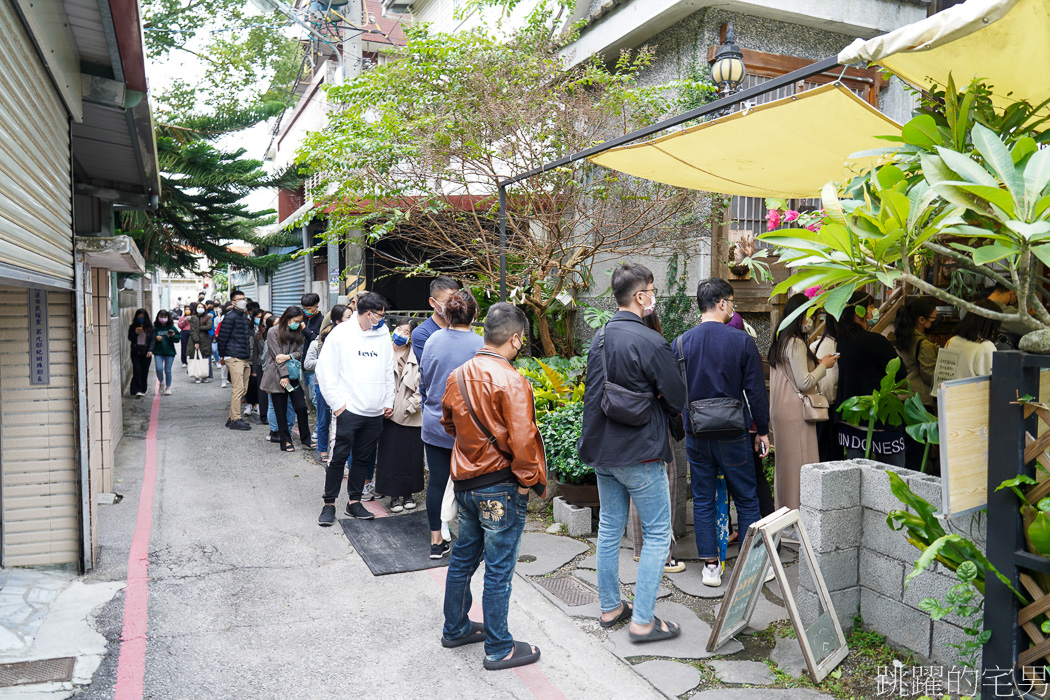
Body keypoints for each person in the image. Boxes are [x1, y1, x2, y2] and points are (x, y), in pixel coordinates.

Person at [579, 263, 686, 642]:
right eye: (652, 291)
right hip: (640, 451)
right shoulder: (651, 342)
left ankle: (611, 607)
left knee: (610, 528)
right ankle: (642, 621)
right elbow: (676, 398)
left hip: (602, 449)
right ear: (641, 297)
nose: (654, 297)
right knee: (657, 534)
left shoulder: (600, 337)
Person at [438, 302, 546, 670]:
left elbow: (448, 424)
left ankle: (455, 628)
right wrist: (527, 483)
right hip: (500, 486)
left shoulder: (457, 376)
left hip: (466, 482)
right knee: (499, 569)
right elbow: (524, 439)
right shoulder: (513, 380)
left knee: (463, 560)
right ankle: (499, 647)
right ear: (515, 339)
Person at [674, 277, 769, 588]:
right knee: (747, 498)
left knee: (702, 499)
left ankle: (711, 567)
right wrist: (763, 431)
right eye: (731, 302)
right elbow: (756, 392)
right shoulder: (742, 342)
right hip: (733, 433)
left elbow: (675, 391)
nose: (733, 308)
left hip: (697, 433)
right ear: (722, 303)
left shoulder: (681, 343)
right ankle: (747, 567)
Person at [315, 292, 395, 526]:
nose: (382, 319)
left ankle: (354, 502)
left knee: (362, 459)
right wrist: (338, 405)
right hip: (347, 409)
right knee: (337, 458)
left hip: (374, 411)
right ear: (368, 313)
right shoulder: (340, 333)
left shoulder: (382, 333)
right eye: (380, 314)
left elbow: (388, 369)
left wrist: (388, 401)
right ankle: (329, 504)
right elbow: (325, 370)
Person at [419, 289, 484, 556]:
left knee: (437, 481)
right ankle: (472, 541)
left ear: (447, 314)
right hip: (471, 428)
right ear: (475, 314)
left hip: (435, 422)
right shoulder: (481, 345)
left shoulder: (433, 340)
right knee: (473, 483)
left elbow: (424, 381)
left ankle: (436, 541)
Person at [627, 310, 686, 574]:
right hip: (655, 427)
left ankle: (640, 549)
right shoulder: (655, 346)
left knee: (636, 489)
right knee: (665, 487)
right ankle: (663, 556)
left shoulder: (619, 345)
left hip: (628, 429)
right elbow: (673, 394)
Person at [768, 293, 836, 511]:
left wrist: (815, 363)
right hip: (796, 412)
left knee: (786, 465)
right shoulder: (796, 342)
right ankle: (799, 511)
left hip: (781, 410)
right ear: (799, 316)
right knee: (801, 464)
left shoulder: (780, 340)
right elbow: (804, 382)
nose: (811, 321)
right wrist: (824, 366)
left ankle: (783, 509)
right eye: (809, 315)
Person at [836, 292, 907, 467]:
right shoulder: (876, 341)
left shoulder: (842, 341)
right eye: (871, 307)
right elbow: (900, 372)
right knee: (892, 474)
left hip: (851, 420)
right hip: (880, 420)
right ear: (858, 312)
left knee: (856, 475)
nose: (874, 311)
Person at [375, 318, 425, 512]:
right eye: (399, 329)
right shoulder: (383, 352)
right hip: (387, 413)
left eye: (407, 332)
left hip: (410, 414)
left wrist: (409, 406)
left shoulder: (418, 355)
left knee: (411, 457)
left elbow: (424, 385)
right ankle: (394, 496)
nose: (401, 334)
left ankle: (408, 494)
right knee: (390, 456)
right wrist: (383, 405)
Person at [261, 305, 314, 452]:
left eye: (300, 321)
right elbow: (276, 356)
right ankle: (285, 441)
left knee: (301, 407)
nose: (298, 324)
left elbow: (299, 353)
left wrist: (288, 356)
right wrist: (284, 376)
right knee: (280, 410)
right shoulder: (273, 331)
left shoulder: (297, 331)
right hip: (277, 376)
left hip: (293, 375)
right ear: (288, 318)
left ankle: (306, 439)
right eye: (296, 321)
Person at [304, 304, 349, 461]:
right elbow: (308, 364)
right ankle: (323, 450)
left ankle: (338, 451)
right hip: (323, 384)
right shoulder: (320, 343)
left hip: (342, 385)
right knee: (323, 419)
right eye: (348, 317)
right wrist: (325, 362)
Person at [894, 296, 940, 409]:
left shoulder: (903, 337)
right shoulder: (924, 344)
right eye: (933, 318)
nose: (935, 321)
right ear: (921, 320)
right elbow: (928, 375)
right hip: (920, 400)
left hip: (903, 395)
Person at [217, 290, 253, 431]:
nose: (243, 301)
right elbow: (222, 337)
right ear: (233, 302)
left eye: (244, 298)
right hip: (233, 356)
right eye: (239, 299)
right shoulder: (230, 317)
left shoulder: (243, 316)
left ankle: (232, 417)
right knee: (238, 389)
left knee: (243, 389)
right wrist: (222, 356)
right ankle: (235, 419)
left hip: (243, 356)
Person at [810, 312, 841, 463]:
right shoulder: (843, 345)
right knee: (837, 451)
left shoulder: (815, 346)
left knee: (821, 449)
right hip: (838, 405)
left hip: (818, 405)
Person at [947, 299, 1003, 380]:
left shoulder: (952, 341)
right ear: (992, 324)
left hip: (949, 388)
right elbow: (994, 381)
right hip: (975, 388)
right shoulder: (985, 347)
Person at [262, 314, 296, 442]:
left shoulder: (291, 338)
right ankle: (275, 431)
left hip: (289, 376)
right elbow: (265, 361)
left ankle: (285, 431)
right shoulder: (270, 340)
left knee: (289, 404)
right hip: (274, 376)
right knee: (273, 404)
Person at [413, 276, 461, 364]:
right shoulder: (422, 333)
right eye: (446, 301)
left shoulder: (462, 326)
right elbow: (432, 366)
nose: (452, 305)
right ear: (432, 302)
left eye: (455, 301)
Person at [986, 282, 1029, 348]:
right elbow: (1036, 328)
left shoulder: (973, 306)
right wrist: (1036, 315)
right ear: (1012, 293)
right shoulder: (1008, 313)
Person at [300, 293, 323, 410]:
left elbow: (317, 340)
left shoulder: (322, 321)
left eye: (308, 308)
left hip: (313, 367)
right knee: (298, 396)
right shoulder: (301, 318)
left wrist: (305, 329)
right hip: (300, 365)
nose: (306, 311)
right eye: (304, 308)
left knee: (316, 398)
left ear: (316, 306)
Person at [243, 308, 266, 421]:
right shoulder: (249, 328)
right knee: (250, 383)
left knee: (258, 384)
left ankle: (257, 404)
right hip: (250, 359)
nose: (259, 319)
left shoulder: (264, 329)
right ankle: (250, 404)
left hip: (260, 360)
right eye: (257, 317)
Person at [152, 310, 180, 396]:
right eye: (161, 317)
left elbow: (178, 338)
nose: (163, 319)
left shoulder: (171, 327)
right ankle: (161, 382)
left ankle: (168, 387)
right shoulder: (155, 328)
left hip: (169, 352)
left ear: (168, 318)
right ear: (158, 317)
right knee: (159, 369)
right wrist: (156, 338)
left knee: (168, 370)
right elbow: (150, 338)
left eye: (165, 317)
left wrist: (173, 336)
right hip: (158, 352)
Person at [250, 310, 270, 425]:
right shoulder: (258, 334)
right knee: (262, 392)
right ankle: (264, 415)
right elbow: (255, 353)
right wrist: (254, 370)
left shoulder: (279, 333)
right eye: (265, 319)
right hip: (260, 365)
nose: (267, 321)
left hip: (273, 366)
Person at [128, 308, 154, 396]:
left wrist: (150, 350)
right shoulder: (133, 327)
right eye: (139, 317)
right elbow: (130, 338)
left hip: (146, 352)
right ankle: (136, 389)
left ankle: (143, 389)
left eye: (142, 317)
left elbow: (152, 340)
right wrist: (135, 333)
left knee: (144, 371)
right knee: (137, 370)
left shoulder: (150, 328)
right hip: (136, 351)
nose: (141, 319)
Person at [189, 303, 213, 384]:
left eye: (202, 307)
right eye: (198, 307)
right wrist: (196, 341)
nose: (200, 308)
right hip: (195, 340)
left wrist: (199, 328)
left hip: (205, 340)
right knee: (197, 358)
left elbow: (209, 326)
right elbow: (193, 330)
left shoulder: (208, 317)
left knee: (206, 359)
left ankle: (205, 376)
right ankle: (197, 375)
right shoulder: (193, 318)